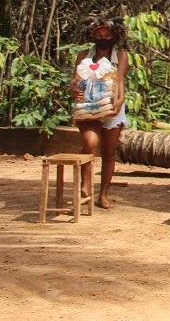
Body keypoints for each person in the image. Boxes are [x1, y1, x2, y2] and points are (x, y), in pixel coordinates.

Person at [69, 14, 129, 209]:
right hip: (87, 107)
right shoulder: (83, 56)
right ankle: (85, 183)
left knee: (109, 152)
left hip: (111, 107)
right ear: (92, 35)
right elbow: (75, 82)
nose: (103, 38)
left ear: (114, 36)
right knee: (90, 143)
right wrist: (74, 91)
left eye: (106, 34)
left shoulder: (120, 56)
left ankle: (103, 194)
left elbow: (119, 81)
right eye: (99, 34)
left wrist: (119, 101)